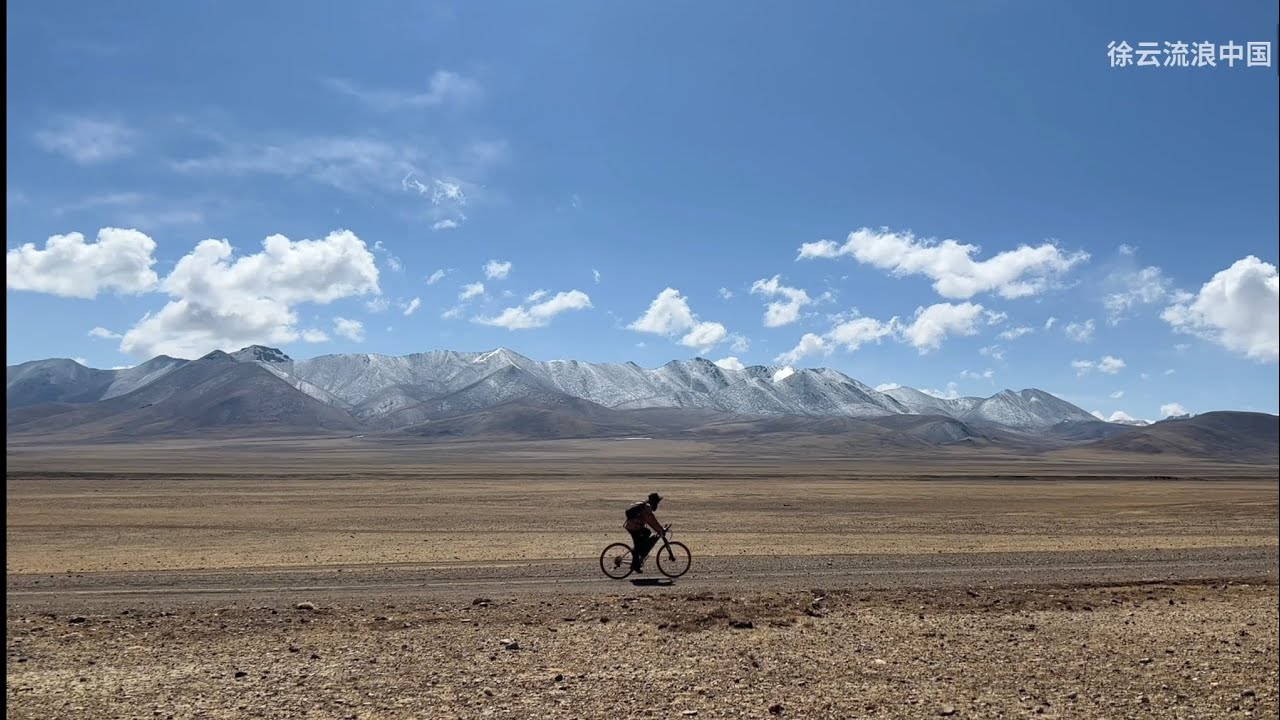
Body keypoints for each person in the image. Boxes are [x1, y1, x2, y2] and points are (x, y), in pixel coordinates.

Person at [623, 492, 665, 572]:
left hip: (634, 526)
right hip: (633, 527)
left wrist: (659, 529)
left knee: (647, 532)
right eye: (657, 503)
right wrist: (660, 529)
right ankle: (635, 565)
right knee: (638, 546)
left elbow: (652, 520)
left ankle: (640, 552)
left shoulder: (646, 506)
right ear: (654, 502)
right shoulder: (647, 507)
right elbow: (652, 521)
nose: (657, 505)